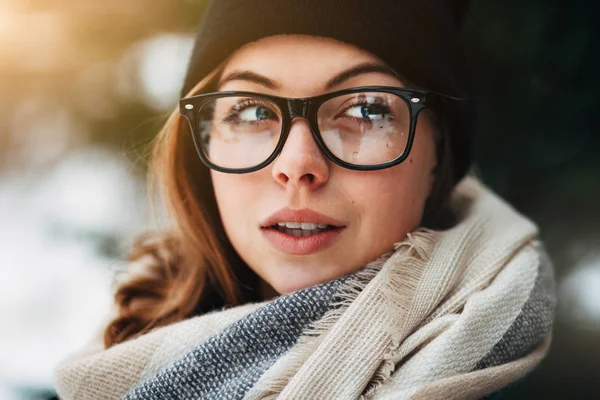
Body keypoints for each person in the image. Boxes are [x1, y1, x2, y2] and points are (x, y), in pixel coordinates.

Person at [53, 1, 556, 399]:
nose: (297, 165)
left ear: (437, 155)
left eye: (364, 109)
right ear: (203, 145)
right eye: (250, 112)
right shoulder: (116, 356)